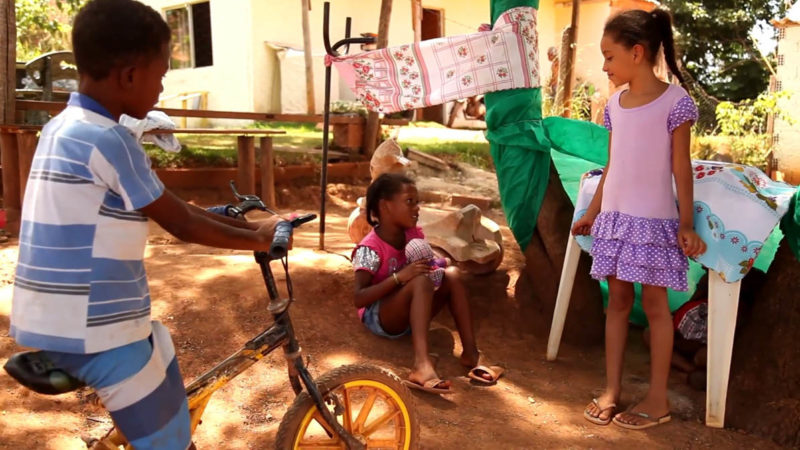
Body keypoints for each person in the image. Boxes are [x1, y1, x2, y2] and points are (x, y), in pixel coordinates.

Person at [8, 1, 282, 448]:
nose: (161, 87)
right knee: (170, 443)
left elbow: (176, 209)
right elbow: (182, 224)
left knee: (162, 345)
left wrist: (240, 228)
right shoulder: (110, 139)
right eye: (161, 74)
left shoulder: (62, 127)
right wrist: (257, 239)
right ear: (129, 75)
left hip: (56, 322)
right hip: (97, 332)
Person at [571, 8, 707, 430]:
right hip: (615, 219)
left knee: (655, 307)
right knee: (617, 304)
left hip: (653, 223)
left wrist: (686, 224)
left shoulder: (675, 103)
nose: (605, 66)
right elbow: (612, 165)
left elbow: (680, 168)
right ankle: (611, 391)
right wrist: (592, 214)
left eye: (609, 57)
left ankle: (657, 399)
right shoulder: (615, 104)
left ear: (637, 52)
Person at [352, 173, 503, 394]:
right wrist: (400, 277)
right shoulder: (370, 248)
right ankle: (421, 366)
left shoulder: (412, 235)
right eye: (409, 202)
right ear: (385, 206)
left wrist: (438, 265)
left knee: (452, 274)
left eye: (417, 202)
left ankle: (471, 354)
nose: (417, 208)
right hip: (380, 316)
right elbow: (359, 298)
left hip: (408, 309)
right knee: (420, 281)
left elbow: (429, 265)